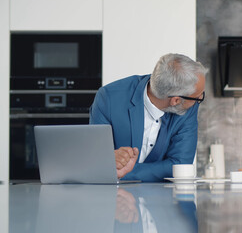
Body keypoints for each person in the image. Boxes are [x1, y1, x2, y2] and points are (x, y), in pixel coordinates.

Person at [89, 53, 208, 182]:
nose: (198, 100)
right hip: (112, 196)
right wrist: (107, 161)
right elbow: (95, 161)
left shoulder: (188, 107)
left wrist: (123, 173)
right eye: (198, 96)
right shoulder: (108, 98)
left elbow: (180, 166)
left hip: (165, 198)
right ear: (175, 100)